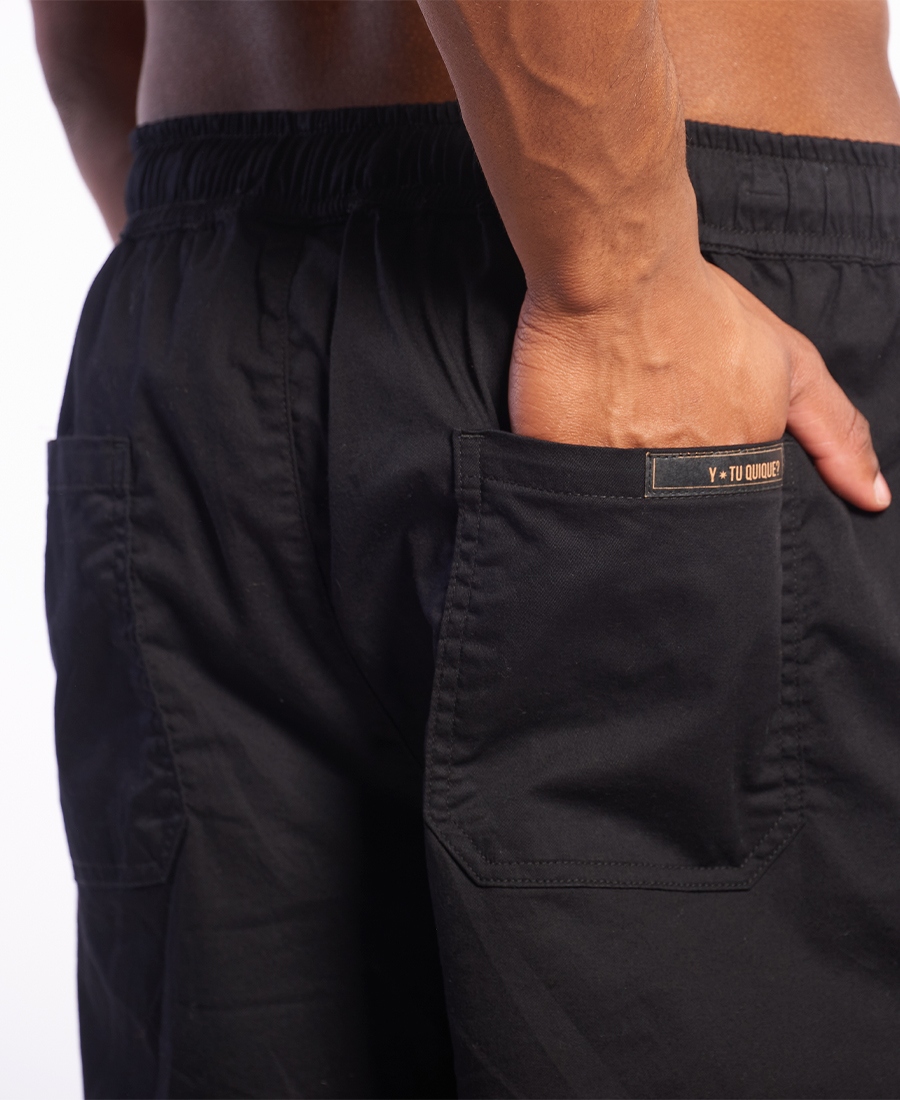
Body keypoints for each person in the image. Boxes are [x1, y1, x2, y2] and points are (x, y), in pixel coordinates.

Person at [32, 1, 900, 1096]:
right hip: (636, 246)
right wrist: (624, 281)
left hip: (198, 298)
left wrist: (210, 296)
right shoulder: (626, 274)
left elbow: (87, 40)